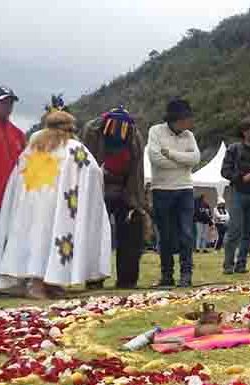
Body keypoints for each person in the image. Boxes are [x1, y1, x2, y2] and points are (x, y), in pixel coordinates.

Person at [0, 107, 111, 298]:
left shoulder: (33, 149)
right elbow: (93, 171)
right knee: (51, 238)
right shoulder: (73, 147)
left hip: (31, 206)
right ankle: (38, 284)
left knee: (36, 239)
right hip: (59, 206)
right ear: (69, 129)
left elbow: (16, 178)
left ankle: (49, 282)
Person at [81, 106, 148, 289]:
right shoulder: (91, 132)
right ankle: (93, 278)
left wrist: (135, 202)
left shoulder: (134, 136)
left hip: (125, 188)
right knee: (95, 233)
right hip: (97, 187)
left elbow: (137, 171)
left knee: (131, 231)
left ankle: (127, 279)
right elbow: (85, 163)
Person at [147, 98, 200, 288]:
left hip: (184, 189)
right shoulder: (155, 131)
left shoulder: (189, 135)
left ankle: (186, 274)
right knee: (165, 235)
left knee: (187, 233)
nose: (190, 122)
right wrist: (183, 162)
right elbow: (155, 158)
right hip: (162, 189)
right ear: (176, 119)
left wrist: (171, 154)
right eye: (187, 118)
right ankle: (167, 275)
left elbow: (195, 159)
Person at [220, 118, 250, 274]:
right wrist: (242, 178)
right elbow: (225, 171)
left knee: (249, 232)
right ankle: (228, 264)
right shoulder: (234, 149)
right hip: (237, 193)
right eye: (249, 129)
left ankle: (241, 264)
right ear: (243, 132)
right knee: (235, 229)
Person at [0, 87, 26, 273]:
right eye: (3, 102)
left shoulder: (18, 134)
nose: (7, 106)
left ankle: (1, 280)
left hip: (12, 201)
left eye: (10, 102)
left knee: (8, 242)